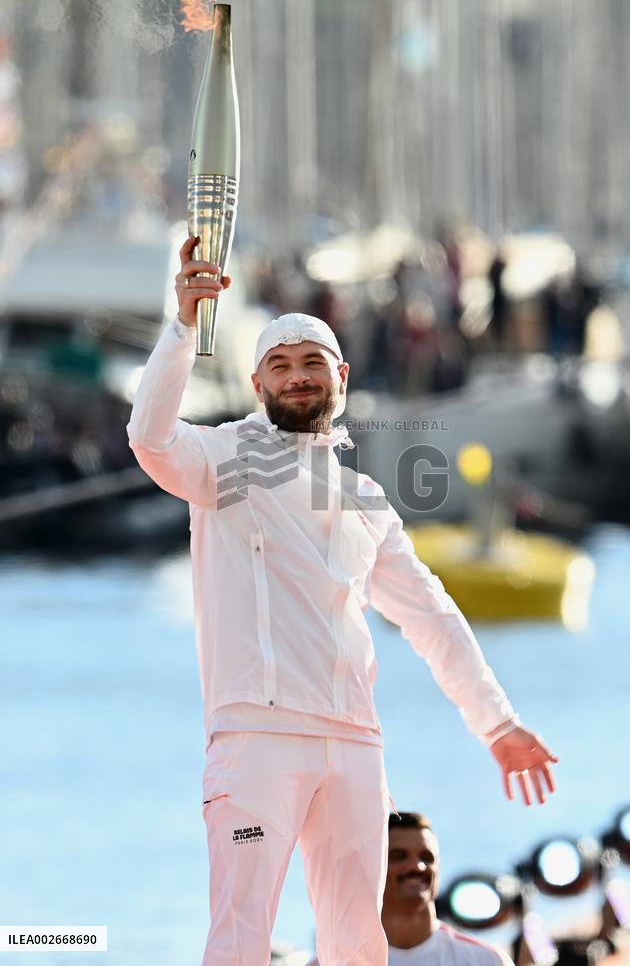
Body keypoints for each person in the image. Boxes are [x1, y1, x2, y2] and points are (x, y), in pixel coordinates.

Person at [127, 236, 559, 966]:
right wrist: (181, 326)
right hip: (256, 740)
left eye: (311, 364)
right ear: (258, 385)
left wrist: (499, 725)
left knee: (361, 945)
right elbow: (149, 436)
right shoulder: (222, 460)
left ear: (341, 376)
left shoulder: (365, 500)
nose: (297, 378)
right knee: (240, 935)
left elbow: (432, 618)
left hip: (355, 743)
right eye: (280, 367)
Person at [307, 811, 515, 965]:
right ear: (372, 869)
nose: (417, 866)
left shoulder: (486, 960)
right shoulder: (332, 962)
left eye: (427, 858)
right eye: (399, 856)